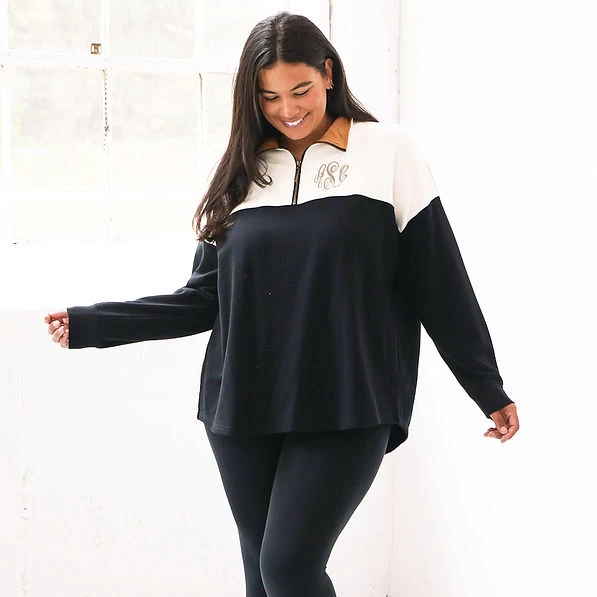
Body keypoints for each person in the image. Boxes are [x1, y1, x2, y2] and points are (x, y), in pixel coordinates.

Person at [45, 11, 520, 597]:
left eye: (300, 90)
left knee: (289, 568)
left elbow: (440, 284)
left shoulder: (388, 153)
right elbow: (203, 300)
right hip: (243, 402)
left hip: (349, 398)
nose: (288, 109)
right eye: (269, 97)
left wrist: (487, 387)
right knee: (261, 574)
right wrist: (94, 324)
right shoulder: (240, 172)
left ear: (328, 74)